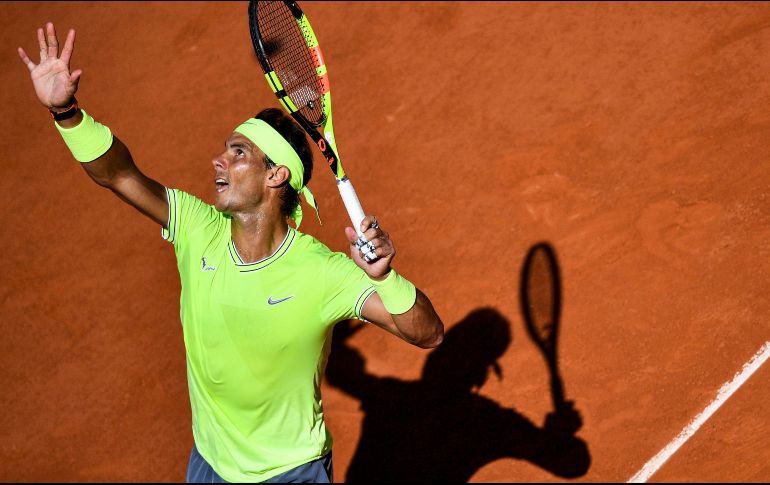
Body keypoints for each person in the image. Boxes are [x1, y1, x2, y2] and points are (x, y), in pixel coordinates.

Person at [18, 22, 444, 483]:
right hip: (210, 466)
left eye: (237, 153)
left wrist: (385, 277)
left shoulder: (323, 273)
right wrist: (67, 111)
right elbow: (119, 175)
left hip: (290, 473)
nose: (218, 161)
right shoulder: (197, 229)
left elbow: (428, 335)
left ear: (276, 175)